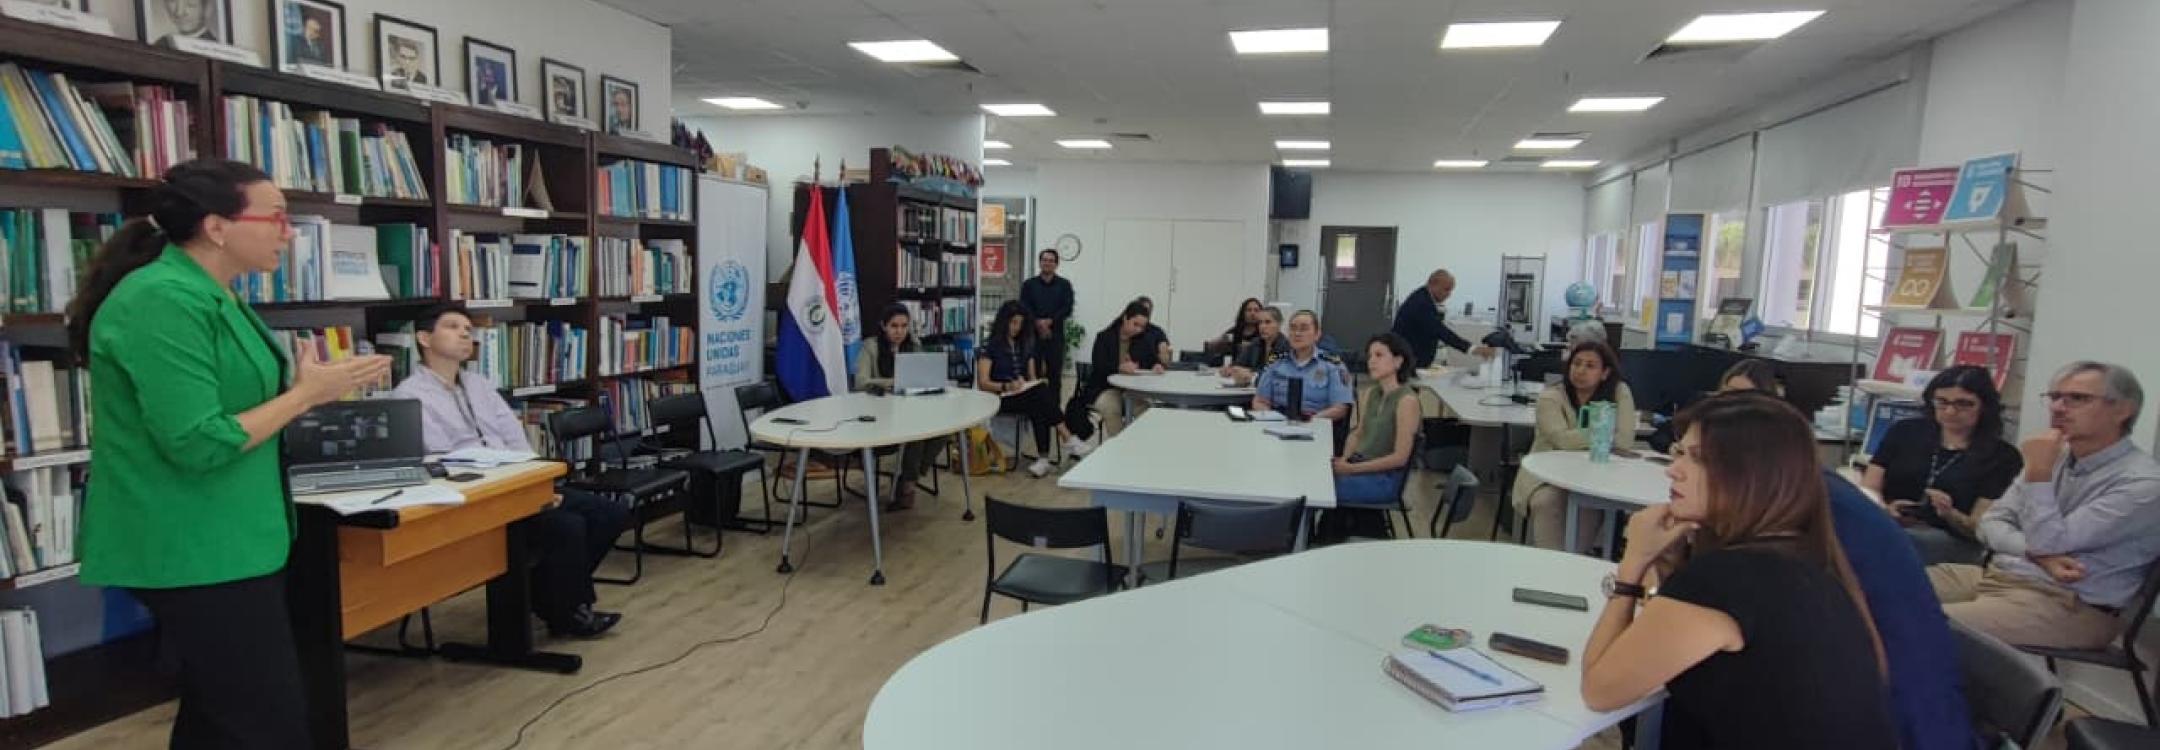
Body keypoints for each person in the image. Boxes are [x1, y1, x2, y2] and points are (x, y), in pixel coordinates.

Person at [72, 160, 394, 748]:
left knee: (218, 717)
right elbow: (198, 441)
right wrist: (304, 396)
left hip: (235, 537)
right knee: (267, 724)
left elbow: (236, 404)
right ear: (216, 226)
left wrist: (306, 389)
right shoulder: (161, 300)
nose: (288, 234)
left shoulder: (212, 293)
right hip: (191, 546)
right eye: (276, 218)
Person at [1581, 394, 1897, 749]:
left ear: (1751, 476)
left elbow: (1599, 690)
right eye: (1679, 452)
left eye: (1698, 458)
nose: (1674, 469)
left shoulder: (1725, 580)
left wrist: (1633, 563)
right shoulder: (1810, 560)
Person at [391, 304, 628, 637]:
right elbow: (440, 460)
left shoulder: (479, 384)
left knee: (610, 513)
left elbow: (514, 438)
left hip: (516, 484)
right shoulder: (409, 397)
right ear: (424, 338)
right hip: (474, 499)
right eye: (453, 326)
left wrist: (536, 488)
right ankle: (568, 611)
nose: (465, 333)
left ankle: (545, 596)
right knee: (567, 527)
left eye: (467, 328)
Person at [1928, 361, 2160, 650]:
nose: (2058, 407)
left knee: (1914, 624)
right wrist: (2036, 555)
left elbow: (2049, 542)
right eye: (2055, 397)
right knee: (1881, 585)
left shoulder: (2144, 483)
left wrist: (2038, 474)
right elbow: (1990, 523)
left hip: (2068, 604)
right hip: (1997, 575)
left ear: (2123, 410)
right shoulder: (2055, 456)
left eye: (2077, 398)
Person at [1866, 366, 2022, 564]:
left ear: (1984, 406)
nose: (1950, 411)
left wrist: (1949, 514)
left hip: (1954, 539)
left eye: (1963, 404)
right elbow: (1870, 487)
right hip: (1890, 524)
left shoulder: (2002, 456)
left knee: (1894, 543)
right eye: (1942, 402)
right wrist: (1886, 509)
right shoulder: (1905, 431)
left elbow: (1981, 529)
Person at [1516, 341, 1638, 551]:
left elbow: (1624, 441)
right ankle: (1551, 561)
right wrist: (1604, 430)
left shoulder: (1619, 392)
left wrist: (1587, 436)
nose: (1580, 370)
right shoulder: (1551, 397)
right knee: (1547, 502)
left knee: (1592, 504)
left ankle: (1574, 559)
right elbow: (1561, 440)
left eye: (1590, 366)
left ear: (1605, 373)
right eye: (1576, 363)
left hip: (1597, 477)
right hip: (1547, 477)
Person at [977, 301, 1090, 477]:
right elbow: (983, 383)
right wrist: (1006, 385)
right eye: (1013, 322)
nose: (1016, 327)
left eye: (1020, 324)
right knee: (1040, 395)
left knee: (1039, 399)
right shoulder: (990, 347)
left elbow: (1032, 378)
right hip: (999, 398)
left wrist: (1027, 382)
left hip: (1022, 395)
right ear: (1004, 322)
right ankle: (1067, 438)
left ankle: (1044, 459)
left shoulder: (1024, 345)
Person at [854, 304, 949, 510]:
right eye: (894, 326)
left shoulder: (913, 345)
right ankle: (907, 485)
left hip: (908, 408)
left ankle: (908, 479)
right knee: (916, 434)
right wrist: (891, 382)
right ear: (883, 326)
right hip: (879, 414)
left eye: (904, 326)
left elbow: (923, 375)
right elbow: (860, 382)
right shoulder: (871, 346)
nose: (899, 331)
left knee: (944, 430)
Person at [1326, 333, 1423, 536]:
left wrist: (1351, 469)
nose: (1371, 361)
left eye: (1379, 355)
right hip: (1361, 465)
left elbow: (1400, 458)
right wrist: (1345, 459)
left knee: (1322, 488)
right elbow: (1358, 433)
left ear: (1398, 361)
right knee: (1320, 477)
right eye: (1370, 356)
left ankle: (1328, 537)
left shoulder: (1407, 401)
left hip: (1385, 478)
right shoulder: (1371, 393)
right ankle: (1329, 535)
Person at [1067, 301, 1162, 442]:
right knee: (1111, 407)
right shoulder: (1104, 337)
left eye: (1142, 327)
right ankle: (1121, 446)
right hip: (1103, 389)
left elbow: (1152, 360)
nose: (1138, 330)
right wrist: (1119, 368)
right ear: (1125, 318)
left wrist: (1156, 365)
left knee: (1146, 410)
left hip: (1130, 390)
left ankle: (1140, 444)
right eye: (1135, 324)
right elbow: (1099, 366)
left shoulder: (1142, 340)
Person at [1647, 359, 1781, 453]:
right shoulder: (1704, 407)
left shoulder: (1768, 429)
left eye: (1744, 394)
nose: (1734, 399)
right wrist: (1672, 447)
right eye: (1730, 391)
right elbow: (1660, 436)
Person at [1252, 310, 1352, 422]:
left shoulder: (1333, 366)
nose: (1297, 333)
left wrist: (1310, 421)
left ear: (1317, 334)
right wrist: (1272, 418)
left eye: (1304, 329)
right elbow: (1260, 401)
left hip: (1315, 422)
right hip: (1278, 422)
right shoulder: (1276, 363)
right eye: (1293, 328)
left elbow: (1340, 408)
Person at [1388, 269, 1492, 369]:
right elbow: (1440, 331)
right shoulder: (1422, 303)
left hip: (1409, 360)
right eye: (1446, 289)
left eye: (1450, 290)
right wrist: (1473, 349)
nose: (1449, 295)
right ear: (1433, 284)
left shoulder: (1423, 297)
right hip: (1406, 363)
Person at [1019, 249, 1074, 403]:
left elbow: (1067, 308)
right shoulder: (1029, 285)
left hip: (1055, 335)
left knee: (1055, 376)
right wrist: (1037, 322)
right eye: (1044, 260)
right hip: (1033, 335)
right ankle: (1034, 408)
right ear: (1040, 262)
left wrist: (1050, 322)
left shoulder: (1064, 285)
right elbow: (1024, 307)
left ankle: (1054, 410)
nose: (1047, 263)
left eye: (1051, 260)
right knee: (1032, 374)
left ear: (1056, 264)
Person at [1220, 306, 1288, 385]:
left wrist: (1251, 376)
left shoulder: (1286, 346)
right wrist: (1230, 370)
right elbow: (1239, 364)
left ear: (1279, 324)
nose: (1262, 326)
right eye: (1260, 322)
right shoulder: (1255, 343)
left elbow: (1278, 375)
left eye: (1268, 322)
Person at [1130, 296, 1174, 365]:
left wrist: (1164, 357)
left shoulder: (1157, 332)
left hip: (1151, 370)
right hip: (1129, 369)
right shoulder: (1127, 329)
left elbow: (1165, 358)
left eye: (1149, 311)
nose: (1146, 314)